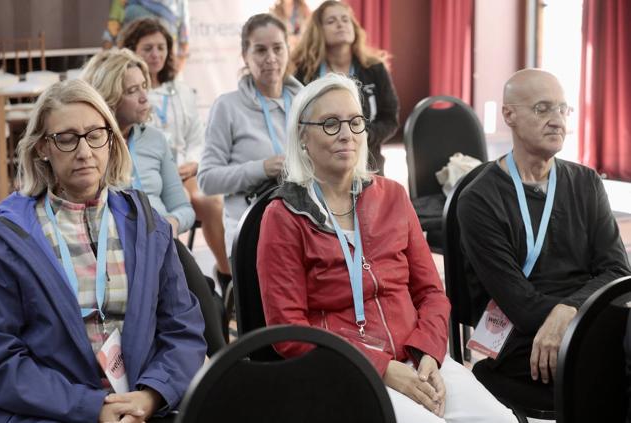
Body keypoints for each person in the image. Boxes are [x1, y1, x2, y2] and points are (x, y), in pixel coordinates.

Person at [257, 72, 516, 423]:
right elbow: (289, 331)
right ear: (303, 136)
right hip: (343, 369)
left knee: (500, 420)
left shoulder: (392, 195)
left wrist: (428, 354)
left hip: (418, 357)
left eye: (355, 122)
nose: (346, 134)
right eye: (331, 124)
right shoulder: (284, 215)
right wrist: (383, 368)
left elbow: (432, 294)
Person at [0, 79, 206, 422]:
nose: (84, 151)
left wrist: (151, 396)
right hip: (51, 413)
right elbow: (3, 360)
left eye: (96, 134)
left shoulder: (146, 224)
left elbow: (182, 330)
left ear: (112, 140)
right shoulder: (9, 237)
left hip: (146, 409)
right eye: (66, 139)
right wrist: (92, 408)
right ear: (41, 149)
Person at [458, 69, 631, 409]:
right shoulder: (479, 199)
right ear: (509, 115)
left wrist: (569, 311)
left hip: (583, 317)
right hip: (521, 335)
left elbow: (617, 272)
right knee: (612, 363)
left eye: (563, 109)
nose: (557, 121)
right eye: (542, 109)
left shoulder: (586, 181)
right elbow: (520, 305)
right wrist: (575, 316)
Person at [118, 18, 232, 290]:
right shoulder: (126, 97)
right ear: (132, 50)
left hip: (185, 170)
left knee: (211, 203)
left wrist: (192, 162)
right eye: (148, 48)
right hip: (150, 173)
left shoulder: (182, 90)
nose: (156, 55)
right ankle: (178, 279)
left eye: (161, 47)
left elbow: (196, 134)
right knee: (163, 212)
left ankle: (228, 278)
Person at [197, 13, 302, 255]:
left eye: (277, 48)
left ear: (288, 49)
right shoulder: (227, 106)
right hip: (251, 225)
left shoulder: (307, 102)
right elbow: (207, 180)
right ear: (245, 55)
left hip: (304, 219)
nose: (271, 58)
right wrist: (262, 169)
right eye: (260, 50)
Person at [82, 48, 196, 237]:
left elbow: (183, 209)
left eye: (144, 86)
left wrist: (173, 223)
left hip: (162, 239)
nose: (145, 97)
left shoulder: (156, 139)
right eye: (132, 91)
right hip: (115, 245)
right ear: (108, 98)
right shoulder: (89, 147)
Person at [291, 0, 399, 174]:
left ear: (354, 27)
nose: (340, 24)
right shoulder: (304, 73)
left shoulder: (375, 68)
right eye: (331, 21)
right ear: (318, 30)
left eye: (345, 19)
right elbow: (298, 122)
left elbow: (390, 118)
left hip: (369, 163)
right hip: (319, 166)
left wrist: (363, 135)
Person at [102, 0, 191, 70]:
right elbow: (111, 31)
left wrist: (175, 72)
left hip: (166, 69)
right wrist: (104, 66)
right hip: (130, 67)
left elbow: (184, 39)